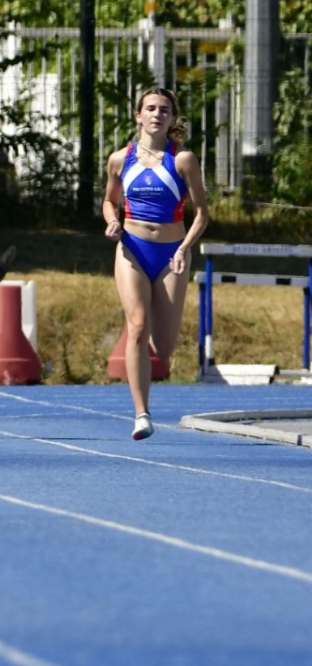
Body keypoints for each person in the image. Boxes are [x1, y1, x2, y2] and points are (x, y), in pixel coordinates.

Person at [104, 88, 209, 441]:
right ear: (138, 115)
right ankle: (141, 413)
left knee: (162, 349)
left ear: (172, 118)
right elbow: (108, 200)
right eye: (150, 108)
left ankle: (145, 360)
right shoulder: (120, 159)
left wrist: (184, 248)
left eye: (164, 110)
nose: (156, 114)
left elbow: (202, 215)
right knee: (136, 325)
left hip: (171, 255)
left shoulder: (183, 161)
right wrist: (112, 220)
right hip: (131, 249)